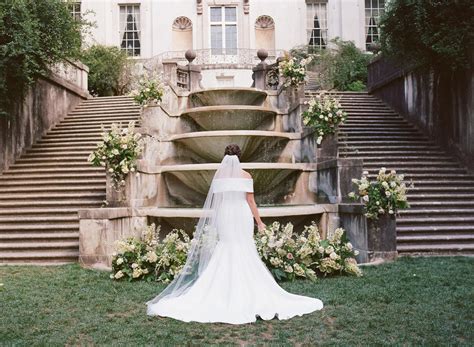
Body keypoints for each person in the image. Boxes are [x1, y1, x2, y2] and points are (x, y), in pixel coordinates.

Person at [145, 144, 323, 324]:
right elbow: (251, 201)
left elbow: (217, 199)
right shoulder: (246, 176)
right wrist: (259, 222)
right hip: (241, 213)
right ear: (239, 157)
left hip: (225, 214)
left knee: (226, 245)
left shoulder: (219, 176)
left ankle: (220, 289)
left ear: (225, 157)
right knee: (243, 246)